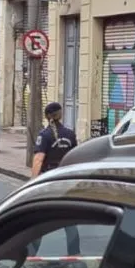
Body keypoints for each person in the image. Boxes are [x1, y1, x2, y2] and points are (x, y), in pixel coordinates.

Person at [30, 102, 80, 256]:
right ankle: (74, 254)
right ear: (61, 114)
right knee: (69, 220)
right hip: (65, 181)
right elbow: (75, 157)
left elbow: (38, 159)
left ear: (47, 116)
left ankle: (30, 255)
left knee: (40, 221)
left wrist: (33, 183)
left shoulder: (44, 135)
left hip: (48, 182)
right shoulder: (70, 134)